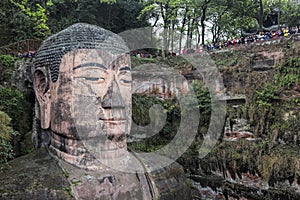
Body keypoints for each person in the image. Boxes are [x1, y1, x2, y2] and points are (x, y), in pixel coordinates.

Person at [32, 23, 190, 199]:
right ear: (44, 89)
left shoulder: (167, 176)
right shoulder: (26, 190)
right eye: (94, 77)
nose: (116, 100)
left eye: (125, 79)